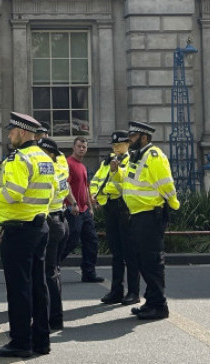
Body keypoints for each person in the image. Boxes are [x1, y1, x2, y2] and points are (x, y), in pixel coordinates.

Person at [0, 112, 55, 358]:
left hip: (19, 229)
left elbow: (13, 194)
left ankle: (20, 342)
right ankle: (41, 340)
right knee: (39, 285)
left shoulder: (18, 158)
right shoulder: (44, 158)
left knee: (19, 288)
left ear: (23, 132)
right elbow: (49, 193)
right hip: (40, 226)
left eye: (12, 131)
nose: (9, 135)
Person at [122, 120, 179, 321]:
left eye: (133, 136)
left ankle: (159, 305)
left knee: (152, 261)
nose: (129, 139)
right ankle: (151, 301)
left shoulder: (154, 156)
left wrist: (173, 204)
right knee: (142, 261)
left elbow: (166, 184)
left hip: (150, 216)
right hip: (138, 215)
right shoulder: (137, 156)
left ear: (144, 137)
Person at [90, 131, 140, 306]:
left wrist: (115, 170)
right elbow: (96, 179)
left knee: (129, 252)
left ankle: (133, 291)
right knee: (116, 252)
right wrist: (93, 193)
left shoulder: (132, 160)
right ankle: (116, 290)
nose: (116, 148)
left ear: (128, 144)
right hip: (110, 207)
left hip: (125, 207)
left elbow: (125, 180)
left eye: (119, 145)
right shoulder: (108, 160)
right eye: (114, 145)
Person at [39, 136, 74, 332]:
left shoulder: (49, 172)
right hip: (61, 220)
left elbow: (43, 198)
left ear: (50, 154)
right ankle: (56, 317)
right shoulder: (61, 166)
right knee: (54, 271)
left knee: (48, 273)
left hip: (51, 221)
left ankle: (52, 319)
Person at [59, 136, 102, 283]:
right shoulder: (68, 163)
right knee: (71, 241)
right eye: (79, 146)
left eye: (84, 147)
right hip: (73, 210)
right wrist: (73, 204)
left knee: (92, 241)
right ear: (73, 147)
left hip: (85, 211)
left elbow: (86, 188)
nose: (82, 149)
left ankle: (89, 273)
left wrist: (90, 207)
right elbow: (66, 185)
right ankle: (50, 267)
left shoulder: (82, 166)